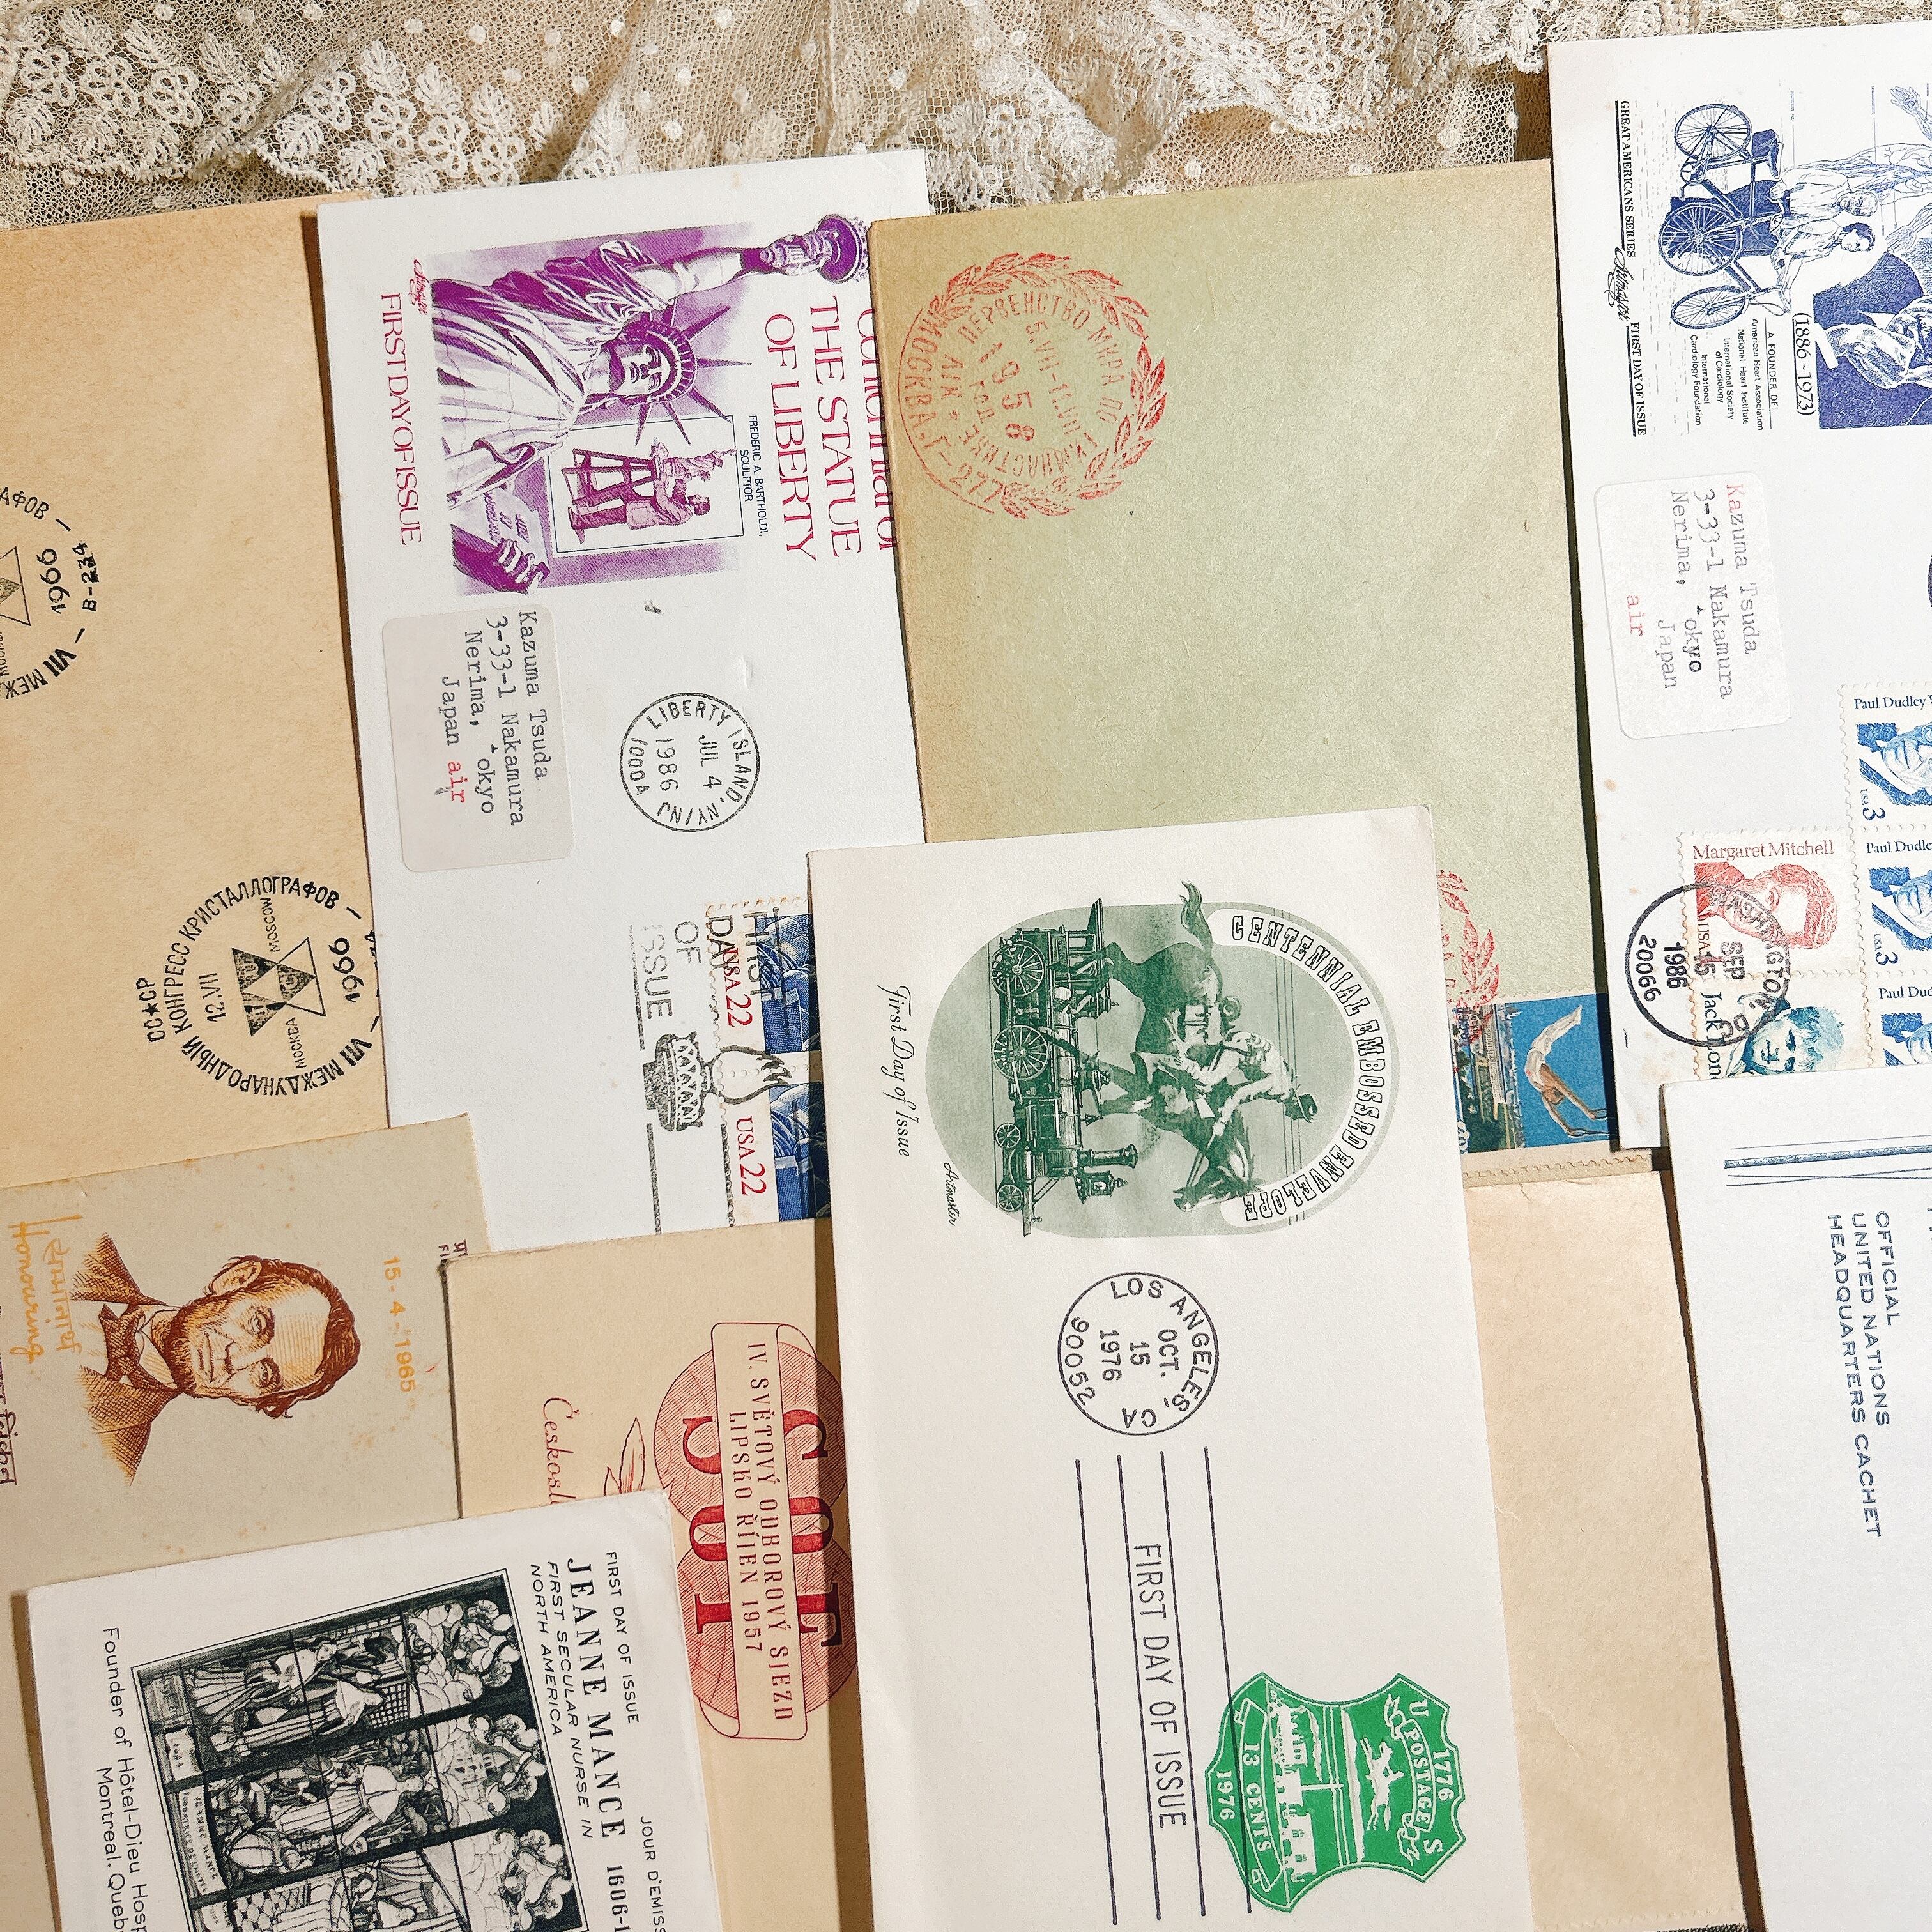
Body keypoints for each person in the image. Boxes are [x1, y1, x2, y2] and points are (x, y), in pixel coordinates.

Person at [434, 216, 864, 505]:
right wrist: (758, 260)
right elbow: (679, 279)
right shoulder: (582, 323)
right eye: (654, 356)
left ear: (639, 397)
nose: (649, 369)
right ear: (631, 337)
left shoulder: (553, 430)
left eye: (655, 379)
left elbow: (456, 481)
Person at [68, 1236, 360, 1480]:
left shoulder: (110, 1461)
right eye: (257, 1325)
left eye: (264, 1375)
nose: (237, 1360)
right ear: (235, 1279)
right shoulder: (87, 1249)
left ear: (249, 1400)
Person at [1694, 859, 1839, 949]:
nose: (1755, 914)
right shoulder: (1700, 871)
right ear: (1765, 876)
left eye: (1770, 927)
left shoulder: (1703, 911)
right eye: (1771, 899)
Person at [1737, 1003, 1846, 1076]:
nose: (1779, 1056)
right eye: (1790, 1042)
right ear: (1785, 1015)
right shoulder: (1747, 1005)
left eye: (1789, 1065)